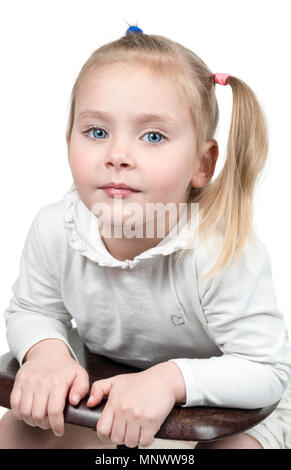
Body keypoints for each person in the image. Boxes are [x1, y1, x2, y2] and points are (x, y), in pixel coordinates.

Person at [0, 24, 290, 450]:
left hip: (225, 404)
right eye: (97, 132)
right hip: (114, 386)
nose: (117, 156)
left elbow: (265, 370)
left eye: (152, 136)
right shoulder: (55, 230)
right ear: (68, 142)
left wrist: (170, 380)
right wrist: (46, 353)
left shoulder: (220, 250)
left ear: (203, 164)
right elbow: (31, 308)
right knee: (16, 432)